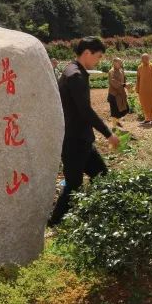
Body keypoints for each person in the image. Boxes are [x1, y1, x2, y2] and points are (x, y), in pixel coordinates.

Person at [49, 37, 120, 226]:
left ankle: (102, 213)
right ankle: (55, 222)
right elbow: (85, 110)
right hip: (75, 140)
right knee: (73, 184)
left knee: (102, 175)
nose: (98, 61)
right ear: (87, 52)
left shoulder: (71, 70)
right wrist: (108, 133)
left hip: (81, 139)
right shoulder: (76, 76)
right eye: (98, 56)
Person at [135, 54, 152, 126]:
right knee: (144, 104)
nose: (145, 60)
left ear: (149, 58)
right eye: (144, 58)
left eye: (147, 58)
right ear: (141, 59)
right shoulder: (139, 67)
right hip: (142, 90)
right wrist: (137, 89)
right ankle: (147, 119)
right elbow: (138, 79)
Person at [107, 58, 129, 126]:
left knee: (125, 109)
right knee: (115, 111)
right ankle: (114, 127)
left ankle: (117, 122)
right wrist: (123, 85)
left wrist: (127, 85)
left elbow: (124, 79)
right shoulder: (111, 71)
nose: (120, 64)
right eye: (119, 62)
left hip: (121, 94)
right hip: (114, 94)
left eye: (121, 62)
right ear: (114, 63)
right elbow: (113, 81)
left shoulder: (121, 70)